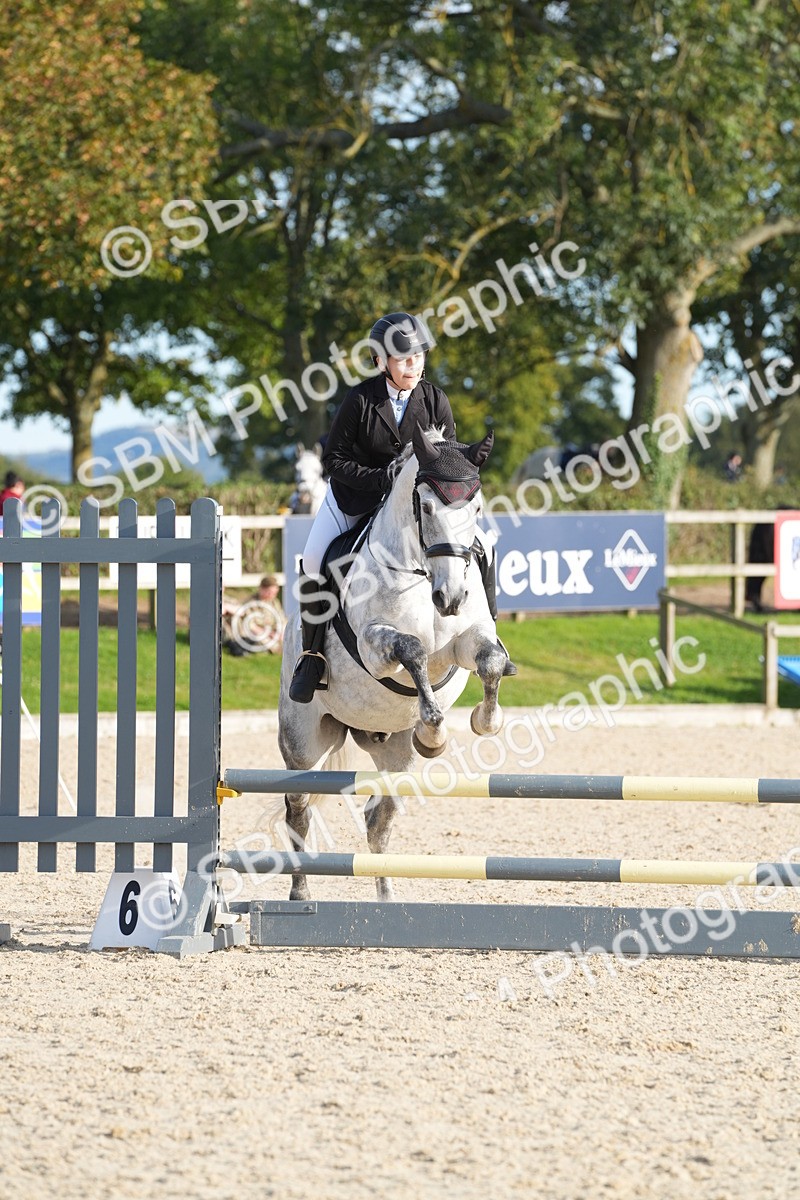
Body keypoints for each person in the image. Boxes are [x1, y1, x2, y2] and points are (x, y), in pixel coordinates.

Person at [288, 310, 516, 703]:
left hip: (417, 506)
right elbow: (333, 460)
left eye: (418, 357)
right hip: (356, 498)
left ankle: (492, 634)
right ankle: (312, 657)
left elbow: (447, 456)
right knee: (312, 560)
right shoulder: (360, 399)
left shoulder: (434, 399)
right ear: (381, 361)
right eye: (404, 358)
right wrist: (380, 480)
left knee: (487, 544)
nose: (413, 365)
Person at [223, 574, 286, 656]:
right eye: (269, 592)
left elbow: (281, 619)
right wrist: (269, 634)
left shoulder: (274, 602)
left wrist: (280, 633)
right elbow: (250, 626)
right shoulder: (250, 603)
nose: (272, 595)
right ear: (261, 589)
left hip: (272, 633)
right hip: (256, 634)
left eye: (274, 593)